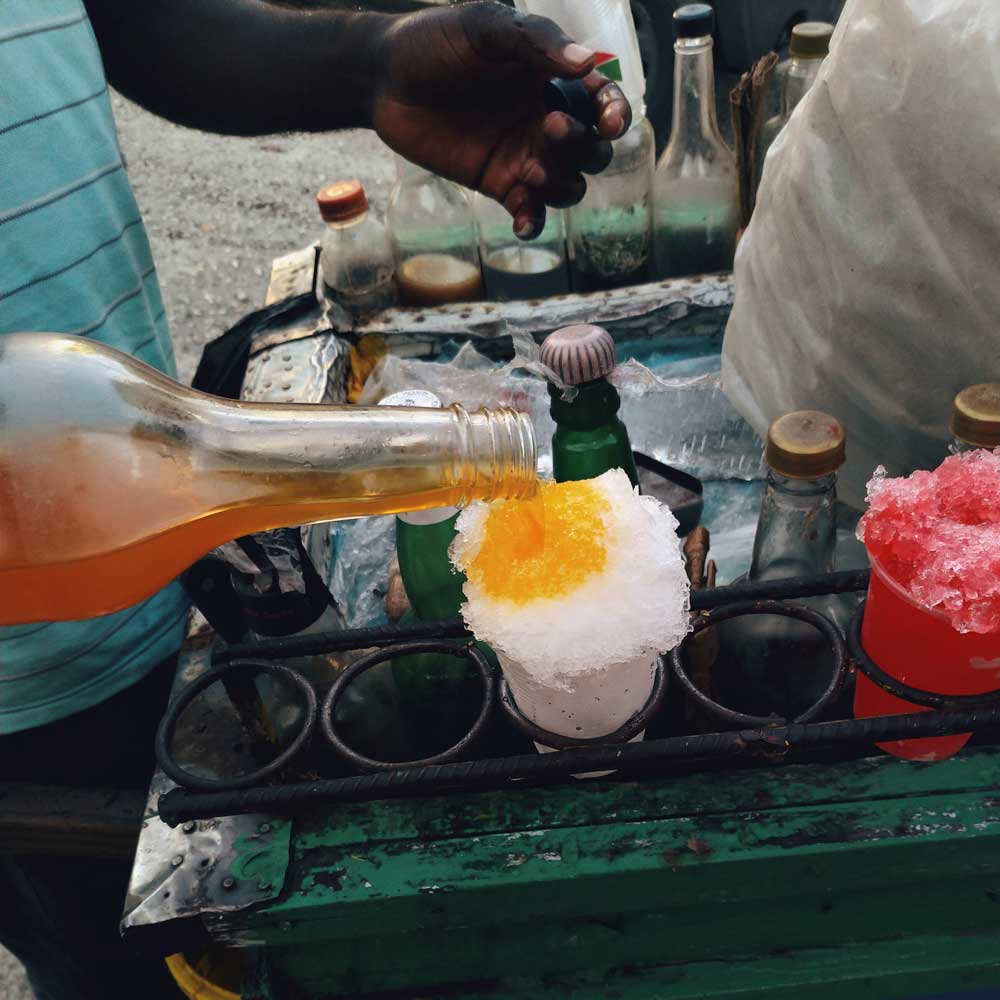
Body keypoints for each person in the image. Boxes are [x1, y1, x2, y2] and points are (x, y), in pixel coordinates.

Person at [0, 1, 631, 997]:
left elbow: (122, 19)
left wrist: (370, 63)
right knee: (110, 963)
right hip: (22, 684)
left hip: (127, 496)